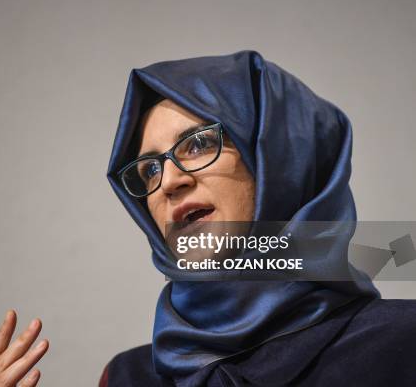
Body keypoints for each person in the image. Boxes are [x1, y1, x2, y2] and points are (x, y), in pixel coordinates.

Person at [100, 50, 416, 386]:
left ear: (282, 162)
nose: (168, 182)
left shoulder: (401, 345)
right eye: (149, 169)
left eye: (198, 144)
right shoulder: (127, 377)